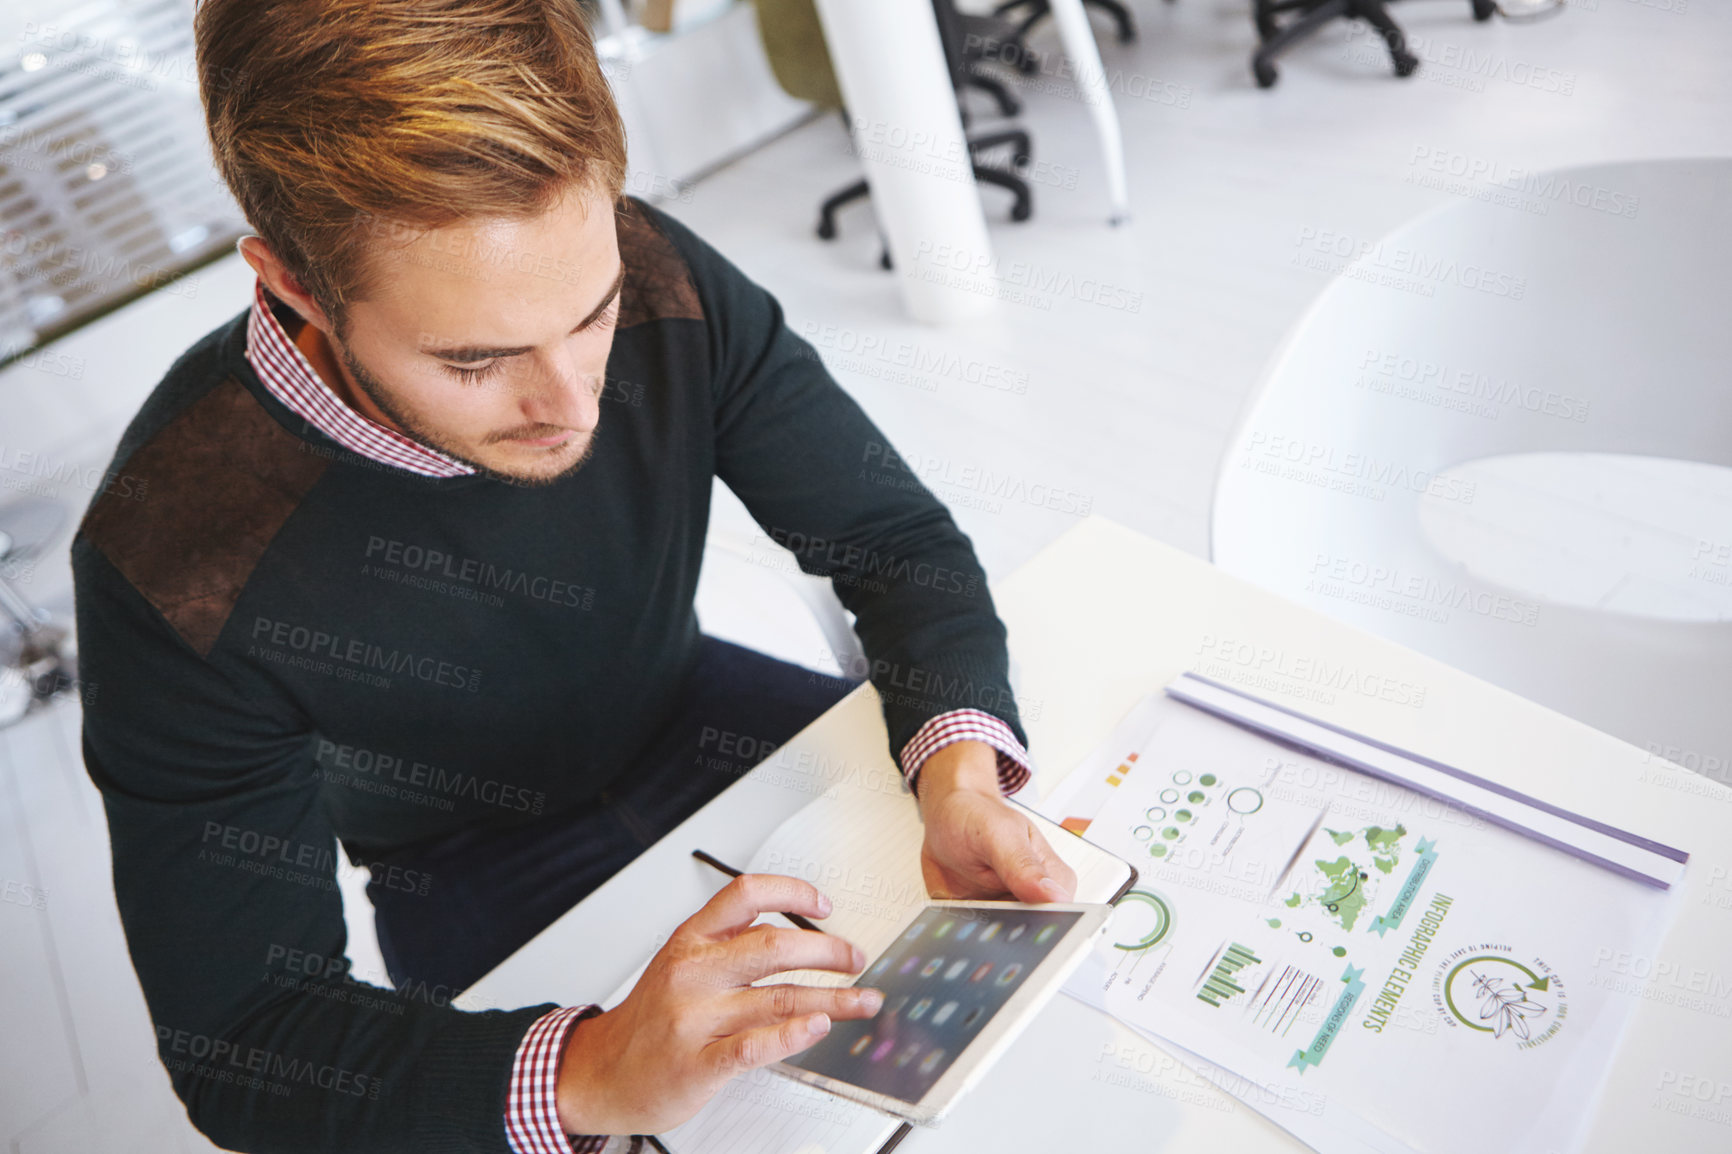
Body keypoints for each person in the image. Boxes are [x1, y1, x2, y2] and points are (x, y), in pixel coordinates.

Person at [71, 1, 1075, 1150]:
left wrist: (954, 770)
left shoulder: (650, 267)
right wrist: (589, 1070)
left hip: (702, 710)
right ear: (296, 289)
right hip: (463, 864)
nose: (572, 403)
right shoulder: (168, 560)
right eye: (476, 358)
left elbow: (888, 535)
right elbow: (243, 1036)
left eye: (591, 315)